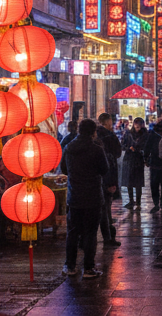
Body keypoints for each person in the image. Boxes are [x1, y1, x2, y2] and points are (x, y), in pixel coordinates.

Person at [63, 119, 108, 278]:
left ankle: (70, 266)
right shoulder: (96, 149)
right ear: (93, 132)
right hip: (92, 197)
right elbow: (104, 169)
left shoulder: (69, 148)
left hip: (74, 196)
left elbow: (64, 169)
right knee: (90, 233)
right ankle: (88, 269)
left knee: (73, 232)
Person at [96, 113, 122, 248]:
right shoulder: (109, 137)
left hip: (86, 184)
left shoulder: (91, 139)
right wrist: (112, 183)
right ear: (107, 122)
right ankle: (108, 238)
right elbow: (117, 154)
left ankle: (84, 240)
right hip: (105, 179)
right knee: (105, 209)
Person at [119, 117, 147, 209]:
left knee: (138, 183)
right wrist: (129, 148)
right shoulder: (128, 134)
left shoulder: (145, 135)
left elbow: (146, 147)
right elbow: (122, 145)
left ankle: (138, 203)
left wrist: (140, 150)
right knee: (129, 181)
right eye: (136, 125)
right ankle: (131, 201)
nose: (137, 127)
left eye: (139, 125)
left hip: (138, 160)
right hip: (129, 159)